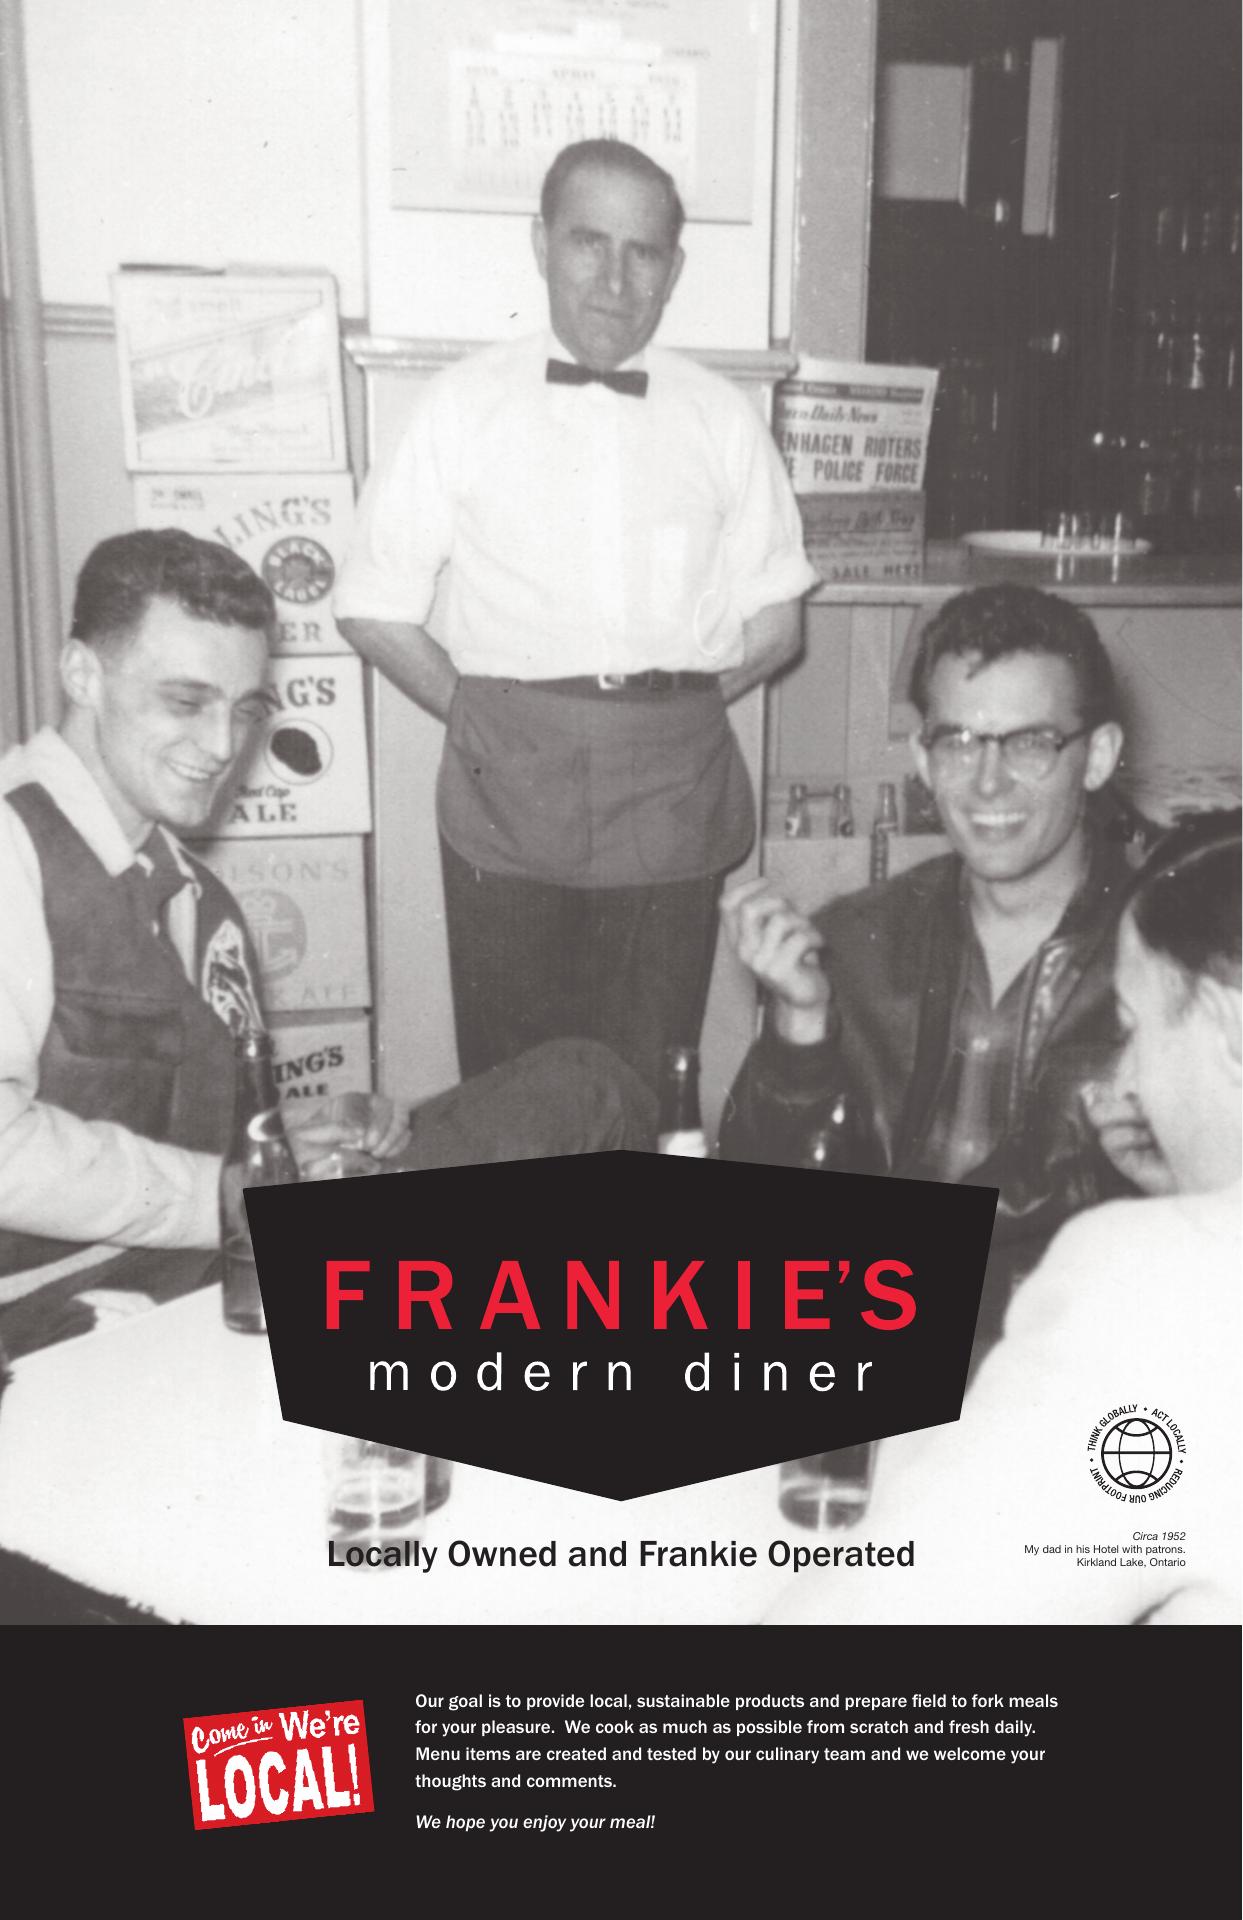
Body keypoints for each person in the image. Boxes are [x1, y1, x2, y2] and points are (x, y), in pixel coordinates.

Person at [0, 530, 654, 1360]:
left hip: (217, 1251)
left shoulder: (193, 894)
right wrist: (225, 1193)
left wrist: (309, 1131)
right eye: (186, 702)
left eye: (243, 710)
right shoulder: (13, 847)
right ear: (82, 674)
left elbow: (184, 1131)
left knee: (582, 1083)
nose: (222, 746)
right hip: (69, 1306)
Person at [335, 138, 817, 1095]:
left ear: (672, 270)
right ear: (540, 245)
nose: (614, 279)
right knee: (512, 1080)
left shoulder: (722, 416)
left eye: (642, 253)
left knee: (650, 1069)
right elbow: (370, 606)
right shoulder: (461, 404)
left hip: (674, 787)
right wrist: (485, 715)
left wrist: (671, 704)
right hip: (507, 782)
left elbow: (777, 623)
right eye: (588, 243)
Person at [766, 811, 1241, 1626]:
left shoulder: (1153, 1273)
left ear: (1229, 1028)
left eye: (1132, 1031)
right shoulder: (869, 927)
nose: (1126, 1083)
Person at [719, 582, 1145, 1360]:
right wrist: (800, 1031)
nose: (986, 783)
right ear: (922, 758)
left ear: (1096, 757)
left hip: (1070, 1361)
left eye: (1028, 743)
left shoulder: (1168, 964)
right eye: (958, 742)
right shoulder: (854, 939)